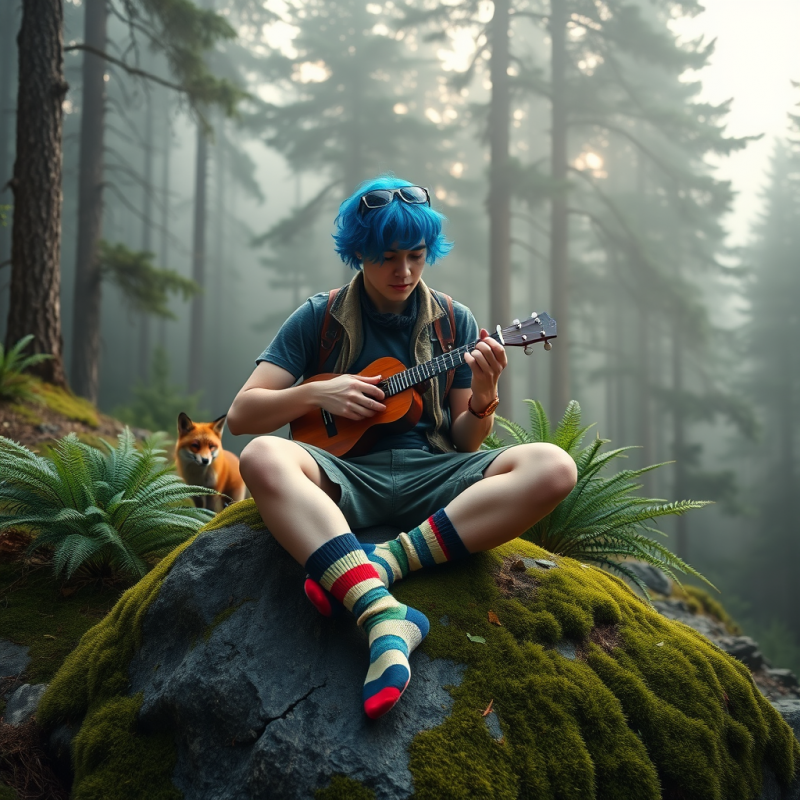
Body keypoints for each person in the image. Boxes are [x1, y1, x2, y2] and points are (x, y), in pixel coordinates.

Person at [227, 174, 577, 719]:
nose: (405, 272)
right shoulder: (318, 318)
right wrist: (320, 391)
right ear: (360, 252)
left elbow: (465, 437)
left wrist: (484, 397)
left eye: (416, 256)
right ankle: (385, 617)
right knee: (261, 456)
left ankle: (376, 565)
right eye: (389, 257)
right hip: (343, 476)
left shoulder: (455, 322)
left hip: (433, 475)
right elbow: (243, 416)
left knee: (554, 467)